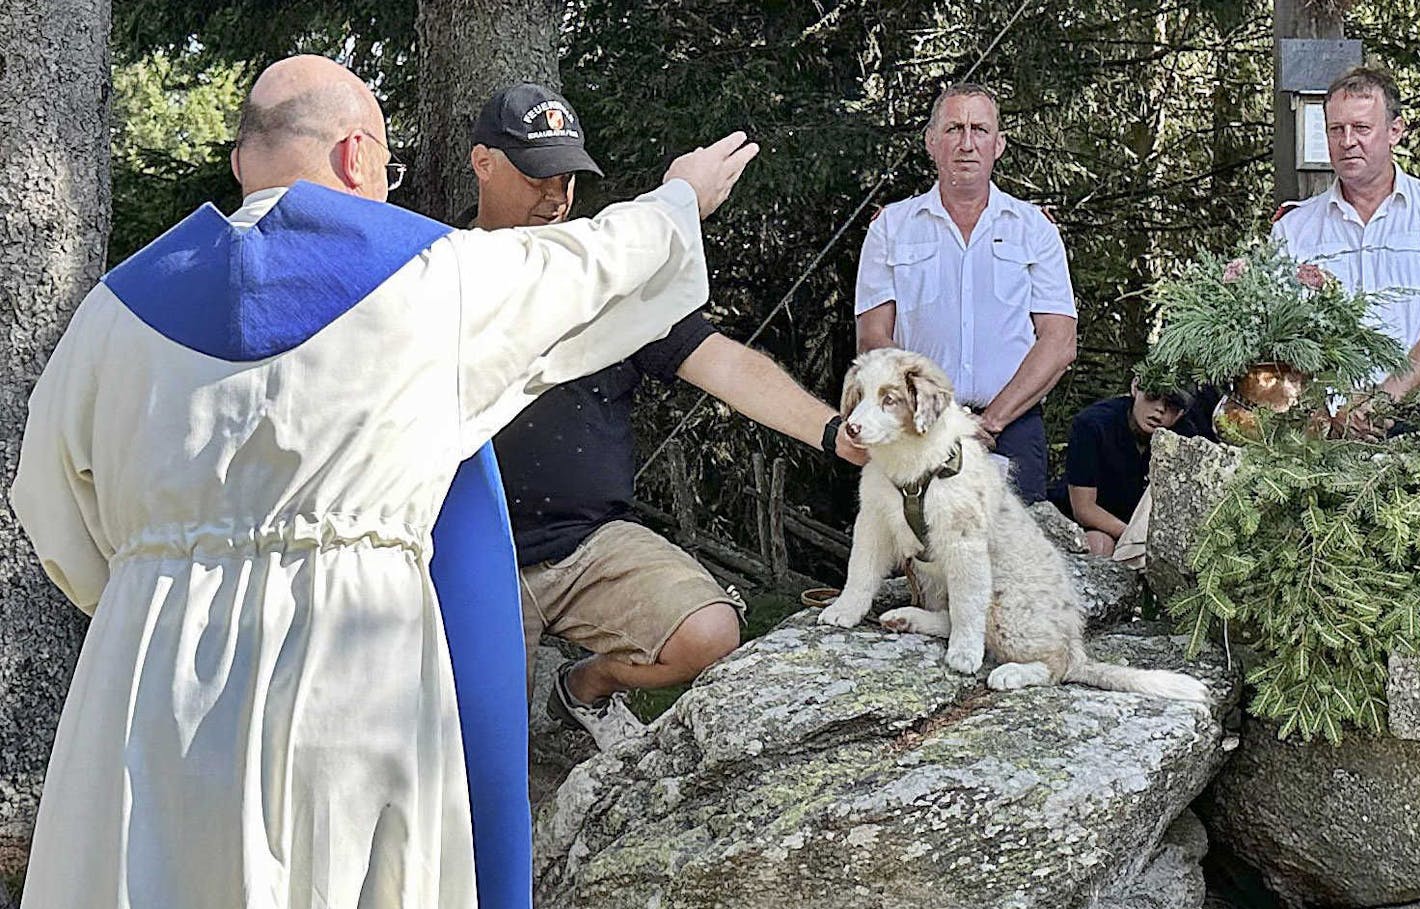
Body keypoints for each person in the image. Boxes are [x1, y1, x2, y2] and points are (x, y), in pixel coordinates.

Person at [9, 55, 756, 909]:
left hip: (150, 665)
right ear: (358, 157)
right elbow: (592, 263)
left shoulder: (117, 307)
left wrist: (163, 585)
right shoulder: (426, 278)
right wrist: (679, 200)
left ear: (243, 162)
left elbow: (49, 501)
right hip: (347, 664)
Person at [464, 83, 867, 752]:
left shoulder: (609, 280)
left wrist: (832, 433)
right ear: (483, 162)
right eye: (538, 173)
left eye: (568, 175)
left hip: (591, 543)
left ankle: (583, 688)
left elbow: (730, 366)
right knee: (485, 753)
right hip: (476, 555)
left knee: (710, 632)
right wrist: (679, 198)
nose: (555, 194)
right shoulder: (439, 271)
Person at [854, 83, 1077, 503]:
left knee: (1013, 560)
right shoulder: (890, 228)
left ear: (999, 144)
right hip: (914, 426)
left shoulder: (1035, 230)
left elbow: (1059, 341)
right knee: (917, 556)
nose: (967, 143)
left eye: (980, 129)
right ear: (931, 142)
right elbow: (873, 340)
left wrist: (991, 422)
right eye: (955, 128)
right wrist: (940, 417)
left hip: (1012, 427)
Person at [1271, 66, 1420, 434]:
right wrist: (1329, 408)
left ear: (1395, 132)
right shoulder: (1294, 227)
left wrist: (1386, 398)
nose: (1347, 141)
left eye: (1362, 128)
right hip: (1326, 424)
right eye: (1336, 129)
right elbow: (1280, 335)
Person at [1064, 378, 1197, 557]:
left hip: (1148, 534)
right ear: (1135, 387)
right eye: (1153, 395)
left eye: (1172, 404)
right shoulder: (1094, 424)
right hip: (1092, 526)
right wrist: (1134, 540)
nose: (1160, 409)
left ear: (1181, 413)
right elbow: (1084, 509)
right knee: (1099, 544)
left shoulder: (1186, 440)